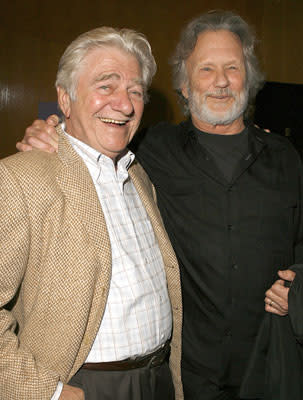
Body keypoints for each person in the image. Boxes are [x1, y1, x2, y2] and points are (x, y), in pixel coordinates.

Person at [18, 11, 303, 400]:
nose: (220, 82)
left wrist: (299, 287)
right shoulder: (150, 150)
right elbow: (93, 129)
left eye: (232, 68)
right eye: (206, 69)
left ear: (248, 79)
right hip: (189, 374)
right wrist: (50, 128)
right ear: (184, 84)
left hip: (271, 364)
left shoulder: (286, 157)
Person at [1, 27, 184, 400]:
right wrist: (46, 393)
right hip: (82, 387)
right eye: (106, 85)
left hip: (158, 379)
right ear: (64, 100)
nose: (125, 104)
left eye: (135, 91)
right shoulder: (20, 178)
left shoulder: (139, 175)